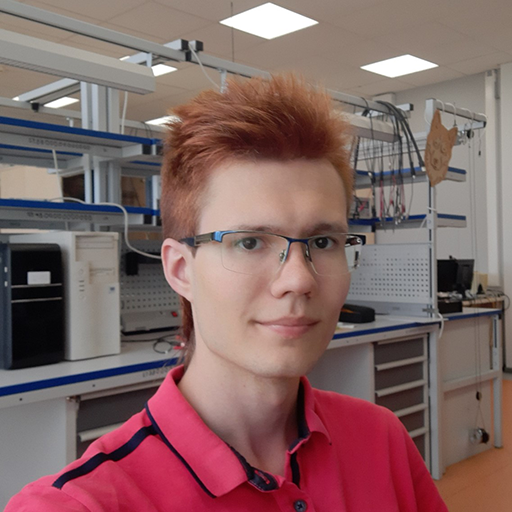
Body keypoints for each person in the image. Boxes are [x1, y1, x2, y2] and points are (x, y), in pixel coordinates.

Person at [6, 74, 448, 511]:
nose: (299, 279)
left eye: (322, 242)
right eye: (250, 242)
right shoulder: (82, 504)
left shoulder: (382, 439)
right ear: (181, 269)